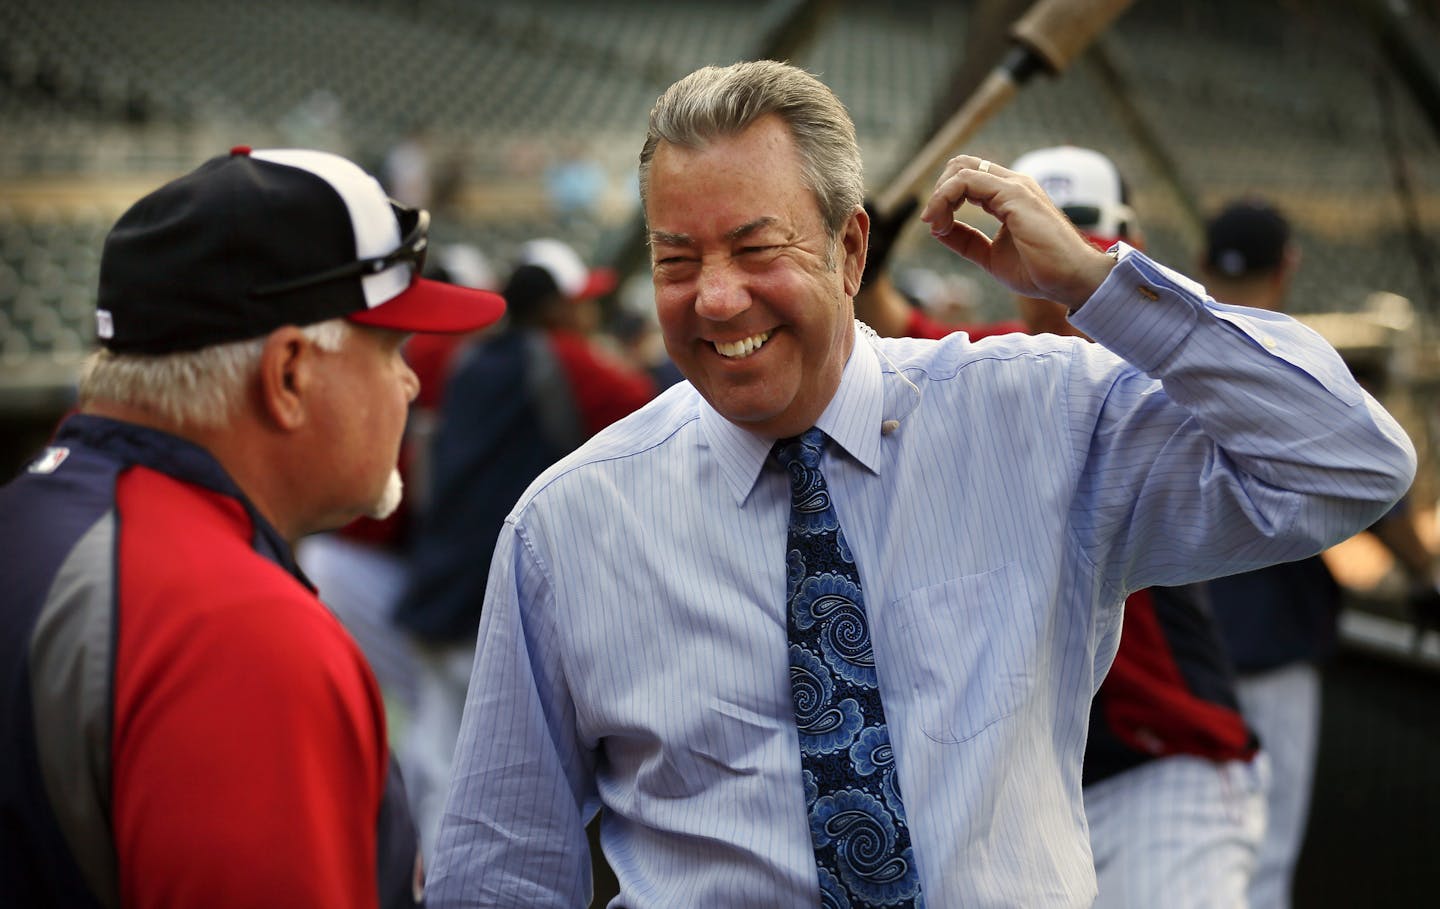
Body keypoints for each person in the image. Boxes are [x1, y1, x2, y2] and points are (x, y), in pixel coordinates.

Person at [426, 61, 1415, 907]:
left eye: (756, 249)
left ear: (849, 248)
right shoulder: (570, 527)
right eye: (675, 260)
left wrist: (1096, 284)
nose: (715, 297)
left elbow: (1346, 463)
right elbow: (503, 871)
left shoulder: (1033, 420)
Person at [0, 146, 506, 908]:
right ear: (290, 374)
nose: (407, 379)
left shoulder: (25, 515)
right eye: (392, 346)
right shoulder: (239, 633)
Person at [865, 143, 1269, 907]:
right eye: (1027, 221)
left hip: (1163, 759)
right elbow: (887, 334)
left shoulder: (1164, 356)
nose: (1046, 242)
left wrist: (1097, 287)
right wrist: (867, 261)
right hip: (1036, 784)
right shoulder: (993, 364)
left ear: (1132, 246)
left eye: (1075, 224)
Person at [1199, 198, 1439, 909]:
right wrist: (1425, 575)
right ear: (1288, 267)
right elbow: (1379, 500)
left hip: (1177, 658)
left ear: (1204, 265)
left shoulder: (1163, 356)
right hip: (1272, 654)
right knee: (1263, 861)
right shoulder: (1298, 364)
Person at [394, 237, 656, 856]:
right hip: (499, 594)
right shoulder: (564, 357)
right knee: (496, 781)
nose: (588, 315)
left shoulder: (470, 359)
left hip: (439, 582)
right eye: (578, 304)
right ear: (556, 310)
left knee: (436, 757)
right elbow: (658, 415)